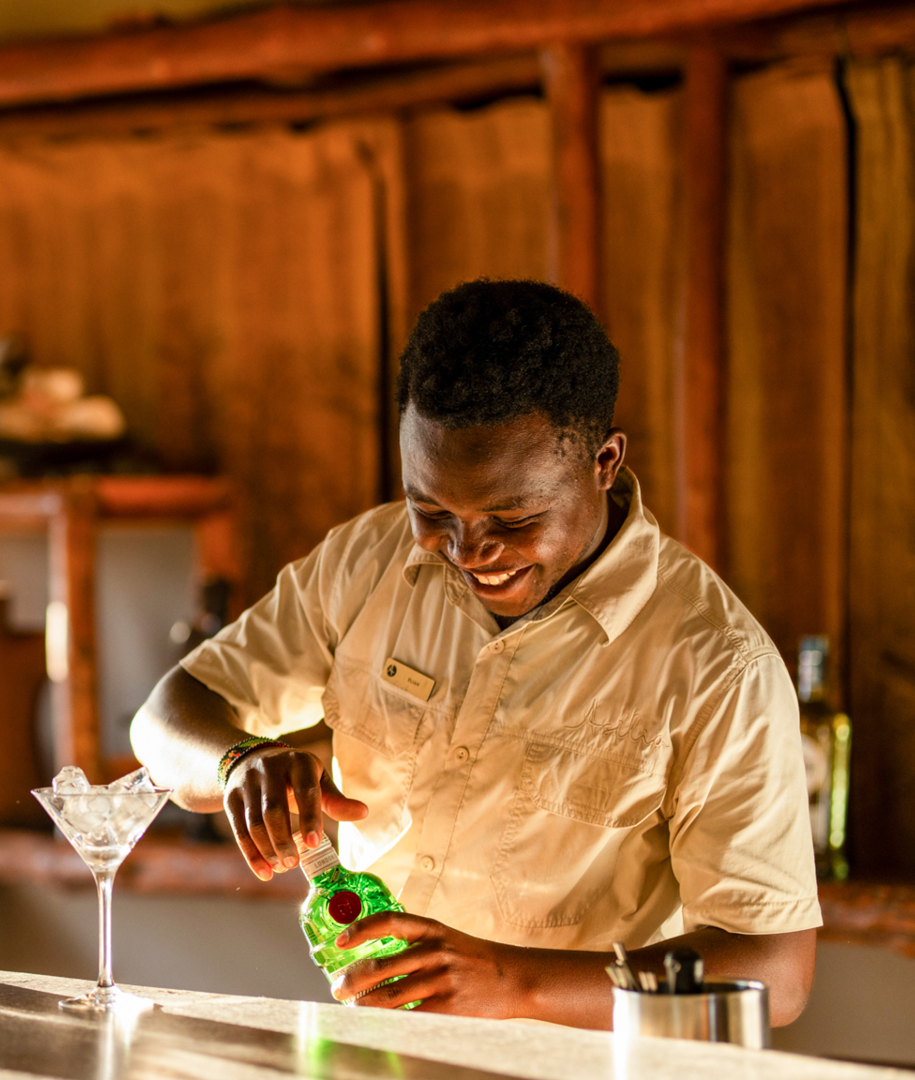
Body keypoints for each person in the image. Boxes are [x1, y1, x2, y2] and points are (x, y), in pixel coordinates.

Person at [130, 279, 819, 1028]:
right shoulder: (369, 560)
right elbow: (164, 720)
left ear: (605, 462)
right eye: (431, 510)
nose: (468, 551)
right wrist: (239, 762)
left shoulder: (718, 662)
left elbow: (775, 972)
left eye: (514, 517)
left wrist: (516, 983)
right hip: (379, 1053)